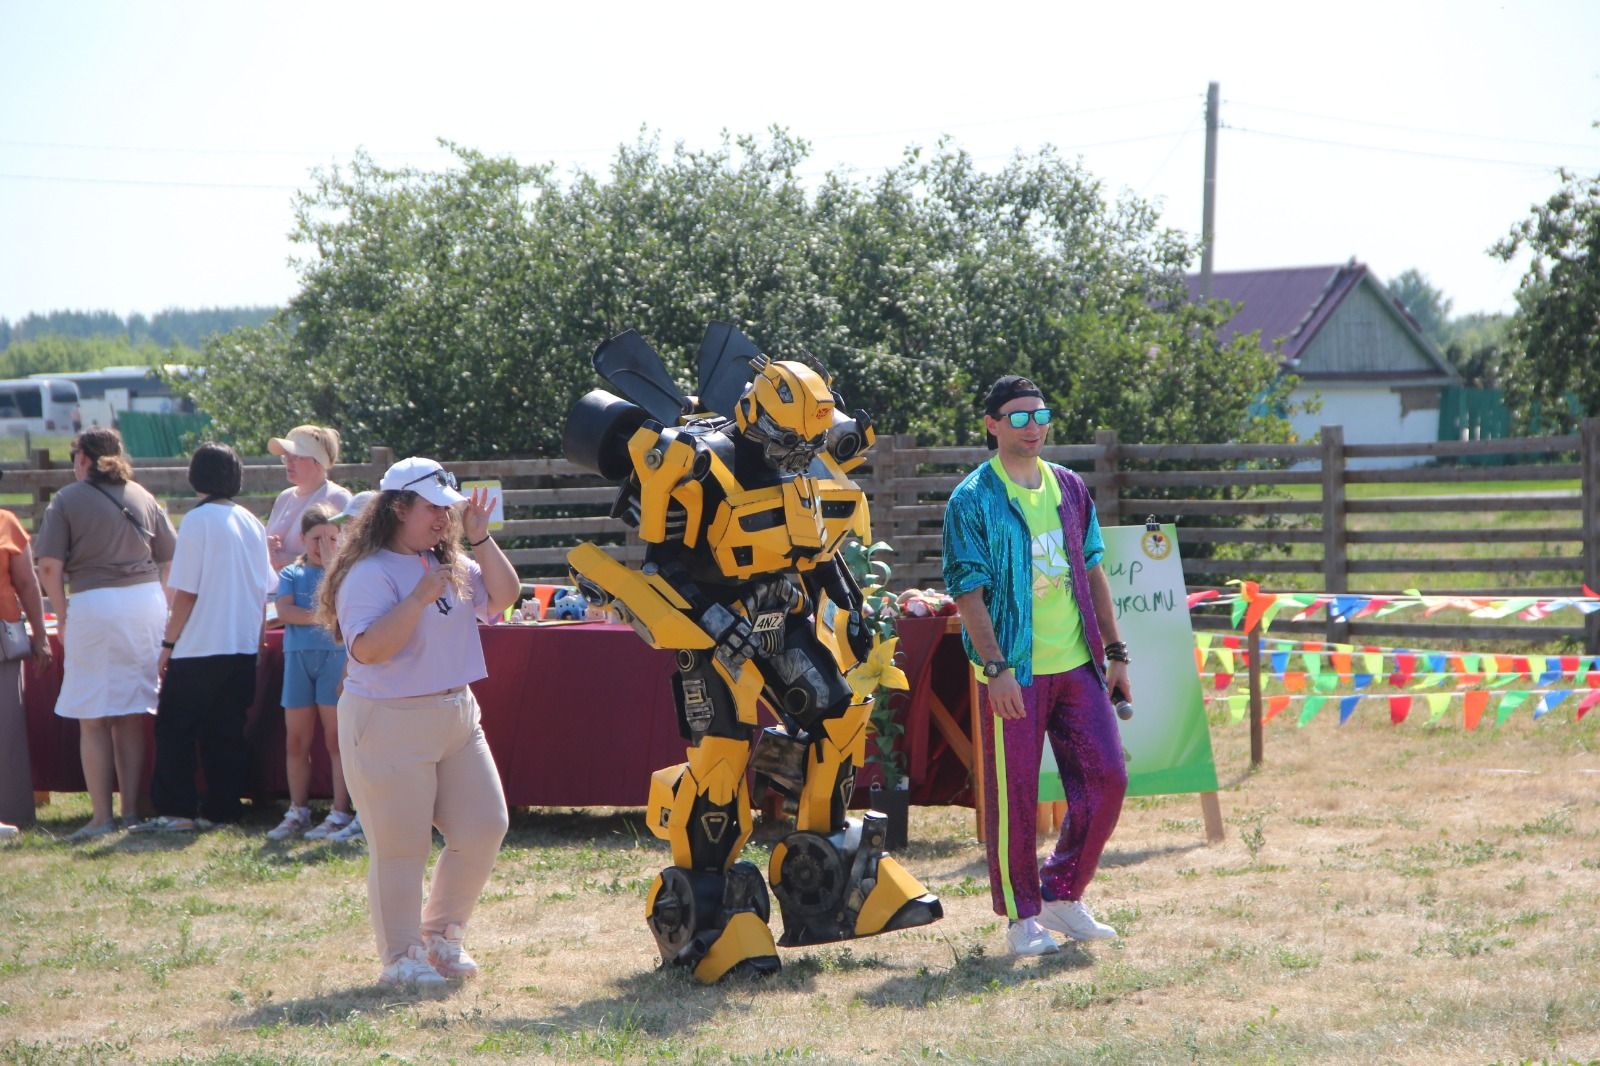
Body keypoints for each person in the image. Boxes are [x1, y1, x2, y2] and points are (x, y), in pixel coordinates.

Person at [941, 374, 1131, 957]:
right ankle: (1022, 917)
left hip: (1078, 665)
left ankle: (1062, 893)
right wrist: (995, 667)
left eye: (1040, 415)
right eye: (1018, 417)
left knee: (1107, 778)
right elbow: (967, 591)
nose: (1032, 427)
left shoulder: (1070, 488)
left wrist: (1116, 653)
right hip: (1013, 672)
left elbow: (1094, 570)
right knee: (1014, 797)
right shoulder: (971, 499)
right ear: (992, 425)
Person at [317, 458, 517, 988]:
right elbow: (369, 650)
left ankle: (440, 937)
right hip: (388, 719)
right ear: (398, 508)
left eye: (447, 510)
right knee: (401, 845)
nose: (443, 519)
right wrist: (417, 600)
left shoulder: (449, 561)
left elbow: (505, 596)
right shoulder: (368, 572)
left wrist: (481, 539)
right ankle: (401, 957)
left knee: (483, 826)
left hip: (455, 715)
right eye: (433, 508)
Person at [35, 428, 178, 841]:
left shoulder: (67, 500)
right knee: (131, 712)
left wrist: (61, 615)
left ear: (83, 458)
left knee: (94, 717)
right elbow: (170, 558)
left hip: (94, 603)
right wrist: (161, 605)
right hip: (145, 603)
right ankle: (131, 810)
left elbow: (48, 567)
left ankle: (101, 817)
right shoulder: (142, 495)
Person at [131, 443, 278, 833]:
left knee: (175, 729)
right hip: (242, 644)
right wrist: (259, 640)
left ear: (195, 475)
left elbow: (187, 591)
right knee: (226, 732)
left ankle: (177, 810)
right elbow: (264, 590)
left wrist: (168, 643)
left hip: (200, 646)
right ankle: (223, 807)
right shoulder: (251, 520)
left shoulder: (197, 521)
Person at [267, 503, 356, 842]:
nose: (323, 546)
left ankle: (339, 811)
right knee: (296, 739)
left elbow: (342, 608)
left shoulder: (344, 573)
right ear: (303, 539)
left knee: (336, 740)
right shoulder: (292, 573)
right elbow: (285, 610)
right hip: (298, 660)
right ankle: (298, 810)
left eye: (331, 538)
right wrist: (322, 617)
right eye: (316, 538)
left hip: (333, 660)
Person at [0, 490, 54, 832]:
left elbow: (27, 583)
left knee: (6, 727)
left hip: (2, 634)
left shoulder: (6, 522)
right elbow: (27, 582)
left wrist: (41, 635)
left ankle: (11, 811)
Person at [266, 425, 352, 572]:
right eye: (286, 456)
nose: (288, 462)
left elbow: (347, 558)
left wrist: (290, 560)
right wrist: (267, 546)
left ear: (318, 461)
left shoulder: (338, 498)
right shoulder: (284, 497)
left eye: (296, 456)